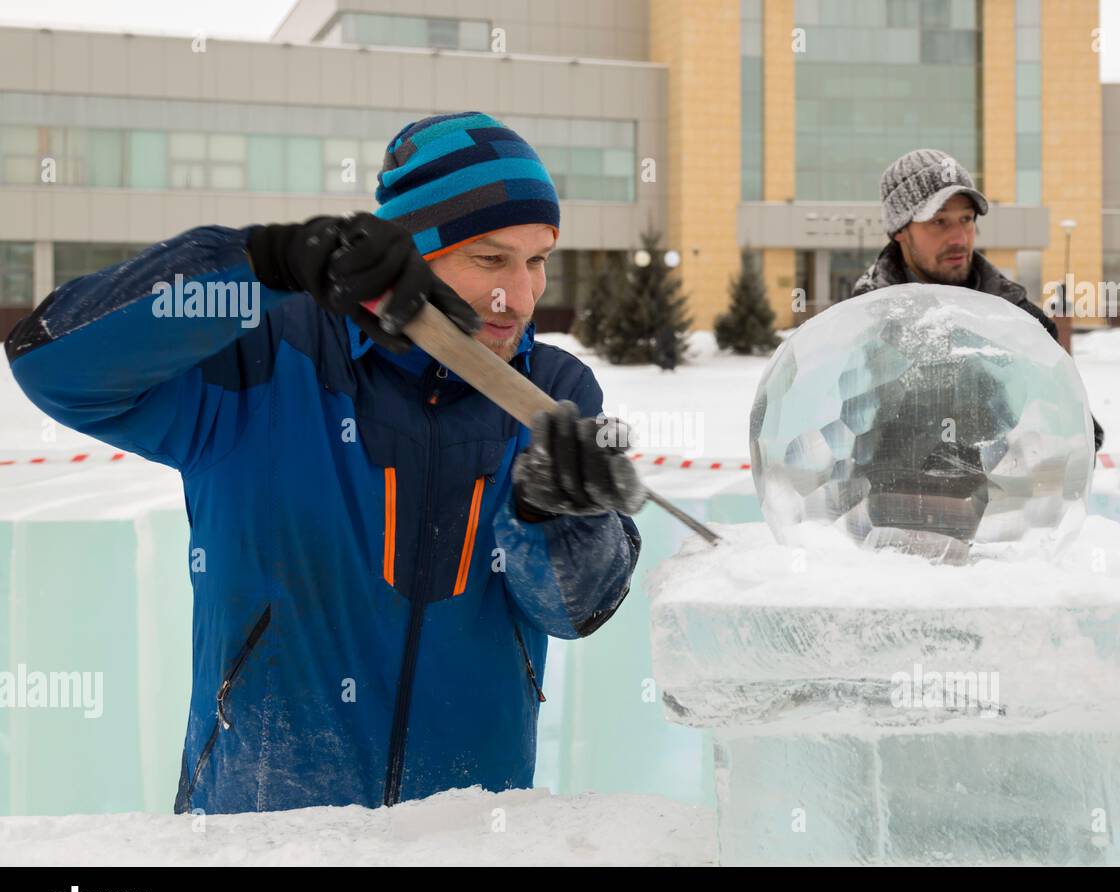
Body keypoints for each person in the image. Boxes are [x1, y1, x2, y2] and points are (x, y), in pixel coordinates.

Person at [4, 111, 646, 814]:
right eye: (491, 260)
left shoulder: (553, 393)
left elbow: (575, 608)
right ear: (409, 254)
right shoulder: (262, 353)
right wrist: (264, 264)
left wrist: (555, 516)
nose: (521, 297)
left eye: (538, 259)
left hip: (467, 833)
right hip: (260, 834)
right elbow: (54, 364)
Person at [851, 148, 1104, 452]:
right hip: (891, 497)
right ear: (900, 231)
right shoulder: (862, 323)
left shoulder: (1020, 319)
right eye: (939, 222)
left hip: (997, 498)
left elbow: (1073, 428)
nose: (960, 238)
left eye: (966, 219)